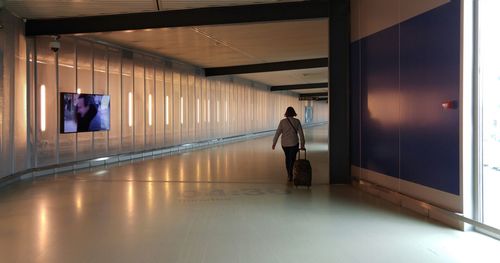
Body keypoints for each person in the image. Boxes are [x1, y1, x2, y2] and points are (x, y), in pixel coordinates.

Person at [272, 106, 305, 182]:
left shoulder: (282, 122)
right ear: (294, 113)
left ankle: (289, 174)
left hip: (285, 144)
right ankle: (291, 173)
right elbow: (301, 134)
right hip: (294, 143)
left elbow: (277, 133)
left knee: (287, 158)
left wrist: (274, 143)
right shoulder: (297, 121)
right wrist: (302, 144)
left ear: (286, 113)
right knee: (293, 159)